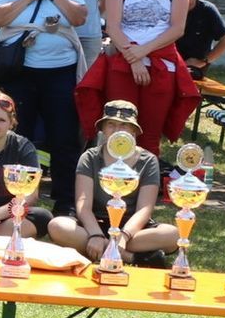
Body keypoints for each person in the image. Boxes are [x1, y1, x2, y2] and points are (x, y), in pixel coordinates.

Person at [0, 0, 88, 209]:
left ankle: (65, 203)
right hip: (20, 70)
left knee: (63, 137)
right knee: (18, 137)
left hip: (60, 69)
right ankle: (14, 201)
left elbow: (80, 17)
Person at [90, 0, 198, 154]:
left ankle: (148, 179)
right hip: (123, 64)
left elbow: (177, 28)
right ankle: (113, 178)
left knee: (149, 136)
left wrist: (142, 51)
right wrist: (135, 58)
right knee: (118, 134)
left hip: (162, 66)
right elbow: (113, 27)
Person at [47, 101, 181, 267]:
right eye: (111, 124)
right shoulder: (89, 157)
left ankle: (101, 251)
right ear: (103, 129)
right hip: (94, 224)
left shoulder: (148, 160)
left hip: (133, 230)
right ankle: (131, 257)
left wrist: (124, 235)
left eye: (124, 125)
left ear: (133, 130)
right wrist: (95, 235)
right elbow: (83, 205)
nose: (117, 130)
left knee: (173, 235)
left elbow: (145, 209)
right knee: (57, 226)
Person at [0, 91, 51, 237]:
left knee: (42, 217)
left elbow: (31, 195)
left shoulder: (23, 146)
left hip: (6, 215)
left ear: (11, 123)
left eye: (1, 120)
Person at [176, 0, 225, 79]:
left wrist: (204, 61)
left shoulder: (207, 10)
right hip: (171, 62)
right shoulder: (170, 9)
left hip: (194, 67)